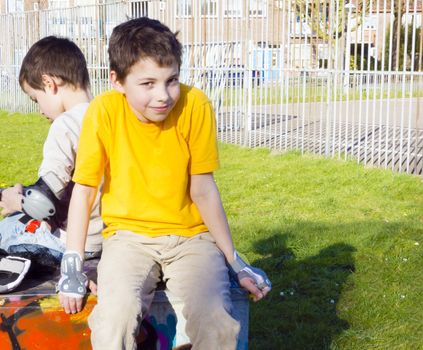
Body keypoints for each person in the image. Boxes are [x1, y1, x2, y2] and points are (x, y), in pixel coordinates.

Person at [58, 17, 271, 349]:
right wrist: (71, 264)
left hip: (191, 238)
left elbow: (203, 189)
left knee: (215, 319)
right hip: (128, 238)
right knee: (115, 316)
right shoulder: (103, 112)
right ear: (117, 80)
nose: (163, 96)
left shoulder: (195, 105)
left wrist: (234, 260)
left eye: (171, 80)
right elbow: (84, 191)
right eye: (147, 84)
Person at [0, 36, 103, 289]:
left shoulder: (65, 125)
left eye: (36, 99)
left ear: (49, 83)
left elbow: (44, 201)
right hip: (109, 236)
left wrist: (15, 199)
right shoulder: (105, 115)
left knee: (7, 229)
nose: (39, 110)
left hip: (79, 243)